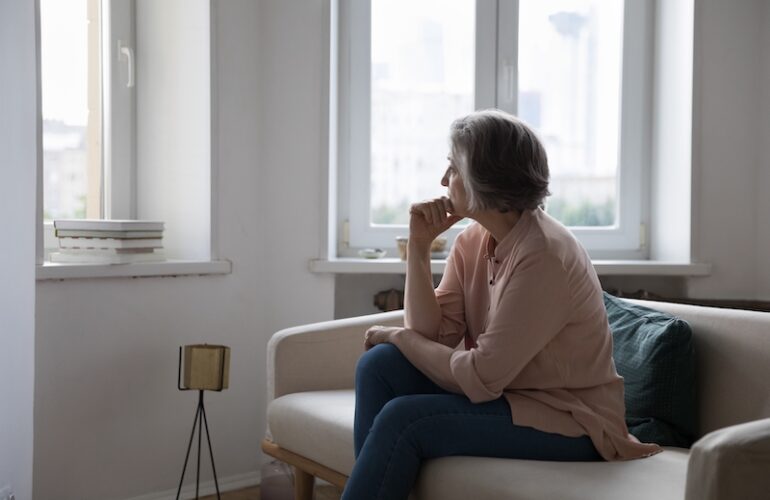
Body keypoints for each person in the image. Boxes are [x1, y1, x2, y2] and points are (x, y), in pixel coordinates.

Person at [340, 110, 660, 500]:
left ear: (486, 181)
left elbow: (479, 377)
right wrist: (419, 248)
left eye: (453, 168)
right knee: (378, 366)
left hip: (572, 419)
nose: (443, 181)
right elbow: (431, 334)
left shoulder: (545, 255)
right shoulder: (473, 240)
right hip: (510, 396)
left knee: (403, 419)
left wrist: (397, 336)